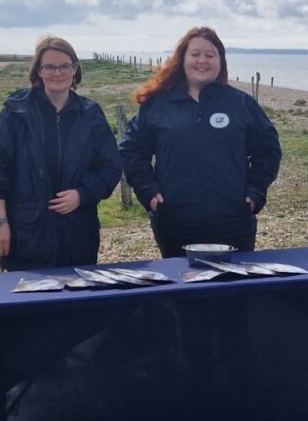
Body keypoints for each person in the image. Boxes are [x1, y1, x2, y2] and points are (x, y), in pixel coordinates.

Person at [120, 26, 281, 258]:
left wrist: (255, 191)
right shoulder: (158, 105)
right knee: (183, 289)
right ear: (182, 59)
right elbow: (131, 150)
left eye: (210, 54)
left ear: (220, 61)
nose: (202, 61)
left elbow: (268, 150)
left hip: (233, 220)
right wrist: (148, 190)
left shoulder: (241, 104)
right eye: (195, 54)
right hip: (174, 221)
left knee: (234, 287)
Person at [0, 36, 122, 271]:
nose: (57, 73)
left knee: (76, 302)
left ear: (75, 69)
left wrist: (82, 194)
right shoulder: (16, 111)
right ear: (39, 71)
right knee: (26, 304)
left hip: (78, 234)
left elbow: (110, 167)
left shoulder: (91, 114)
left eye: (65, 66)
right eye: (49, 66)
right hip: (26, 232)